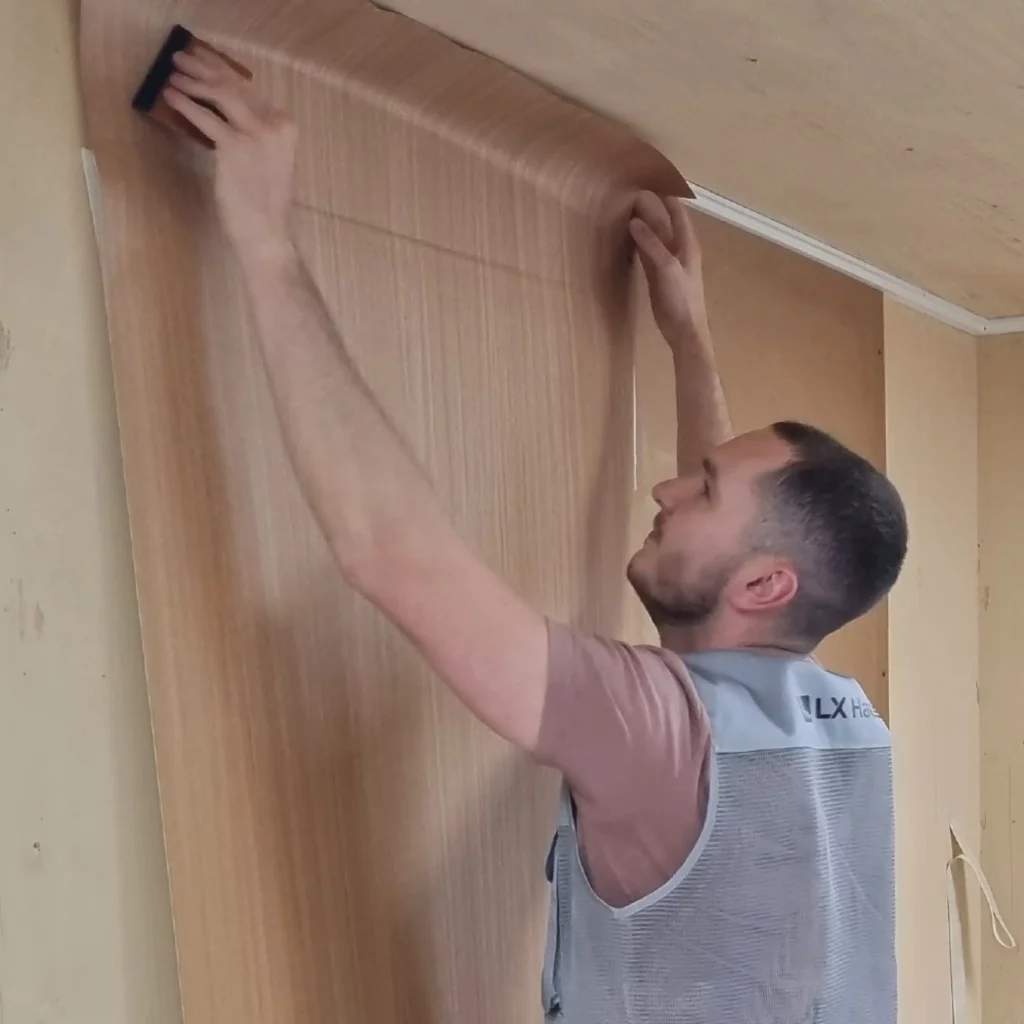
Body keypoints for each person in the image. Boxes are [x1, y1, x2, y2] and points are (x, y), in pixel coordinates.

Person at [163, 45, 908, 1024]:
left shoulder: (651, 730)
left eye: (701, 487)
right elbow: (732, 559)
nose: (666, 485)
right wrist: (687, 334)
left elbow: (392, 552)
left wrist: (263, 235)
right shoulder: (835, 723)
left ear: (765, 585)